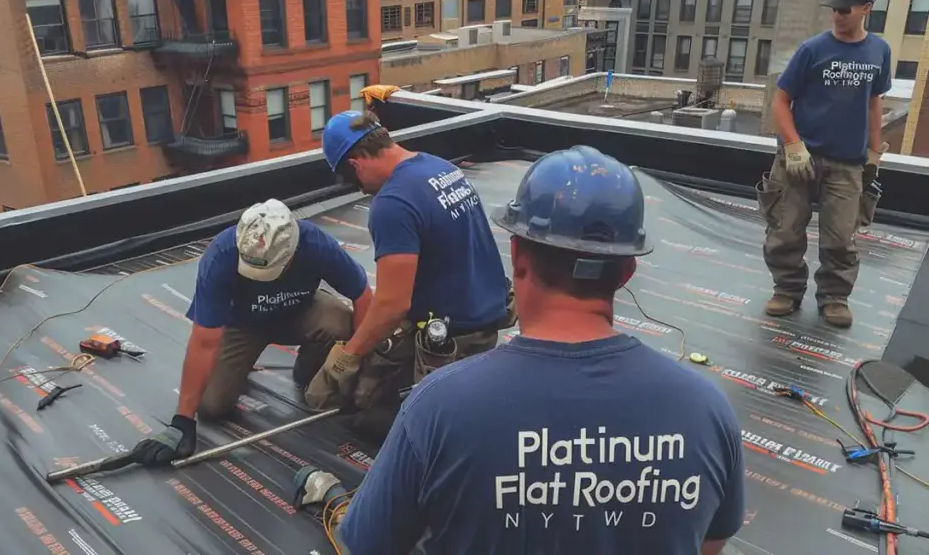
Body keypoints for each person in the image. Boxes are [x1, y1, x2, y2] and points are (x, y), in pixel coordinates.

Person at [334, 146, 746, 554]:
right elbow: (709, 544)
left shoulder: (437, 408)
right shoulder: (706, 410)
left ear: (518, 256)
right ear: (627, 272)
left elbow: (369, 545)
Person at [306, 109, 513, 435]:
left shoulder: (393, 203)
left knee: (374, 417)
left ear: (356, 163)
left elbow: (392, 305)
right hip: (483, 314)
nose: (360, 190)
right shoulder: (438, 166)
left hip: (454, 336)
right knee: (370, 380)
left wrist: (345, 359)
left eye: (352, 180)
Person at [129, 199, 373, 466]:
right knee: (212, 406)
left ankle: (308, 368)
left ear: (290, 253)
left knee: (339, 324)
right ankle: (241, 365)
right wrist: (182, 421)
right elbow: (204, 342)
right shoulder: (222, 255)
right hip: (243, 326)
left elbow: (362, 296)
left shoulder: (315, 244)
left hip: (300, 312)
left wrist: (359, 360)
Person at [758, 0, 891, 329]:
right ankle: (786, 290)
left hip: (847, 162)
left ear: (867, 8)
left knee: (841, 238)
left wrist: (875, 151)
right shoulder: (812, 50)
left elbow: (875, 103)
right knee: (785, 230)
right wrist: (792, 145)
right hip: (800, 159)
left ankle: (834, 298)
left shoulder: (879, 51)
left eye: (845, 9)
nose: (837, 14)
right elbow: (780, 101)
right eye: (833, 7)